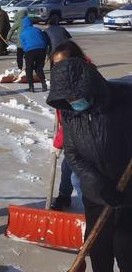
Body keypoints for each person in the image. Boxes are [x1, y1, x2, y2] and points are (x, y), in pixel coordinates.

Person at [47, 57, 132, 272]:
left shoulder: (123, 100)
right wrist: (96, 182)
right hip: (97, 191)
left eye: (78, 96)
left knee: (126, 247)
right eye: (69, 99)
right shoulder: (71, 114)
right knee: (98, 243)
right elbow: (73, 154)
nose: (75, 102)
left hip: (128, 191)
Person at [50, 40, 89, 211]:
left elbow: (72, 119)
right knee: (67, 168)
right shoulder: (65, 80)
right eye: (55, 65)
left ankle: (92, 211)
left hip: (88, 137)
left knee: (77, 177)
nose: (59, 68)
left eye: (62, 64)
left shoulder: (82, 82)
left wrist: (58, 142)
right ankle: (64, 197)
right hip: (74, 136)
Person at [20, 17, 48, 92]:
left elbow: (23, 44)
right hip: (42, 49)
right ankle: (44, 84)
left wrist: (26, 51)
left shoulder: (23, 33)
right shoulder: (38, 30)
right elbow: (45, 40)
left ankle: (31, 87)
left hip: (30, 51)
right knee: (39, 68)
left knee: (29, 69)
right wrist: (44, 48)